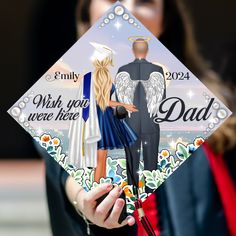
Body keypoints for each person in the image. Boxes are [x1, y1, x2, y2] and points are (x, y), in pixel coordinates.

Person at [33, 0, 236, 235]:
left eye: (145, 1)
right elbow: (62, 166)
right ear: (87, 14)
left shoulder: (207, 104)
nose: (127, 10)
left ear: (165, 19)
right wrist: (84, 199)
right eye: (112, 0)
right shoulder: (63, 95)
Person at [115, 37, 166, 190]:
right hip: (151, 124)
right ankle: (152, 201)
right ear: (147, 51)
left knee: (131, 165)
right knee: (152, 168)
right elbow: (161, 101)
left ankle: (133, 201)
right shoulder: (157, 71)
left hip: (130, 126)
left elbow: (121, 107)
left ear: (133, 50)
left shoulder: (122, 71)